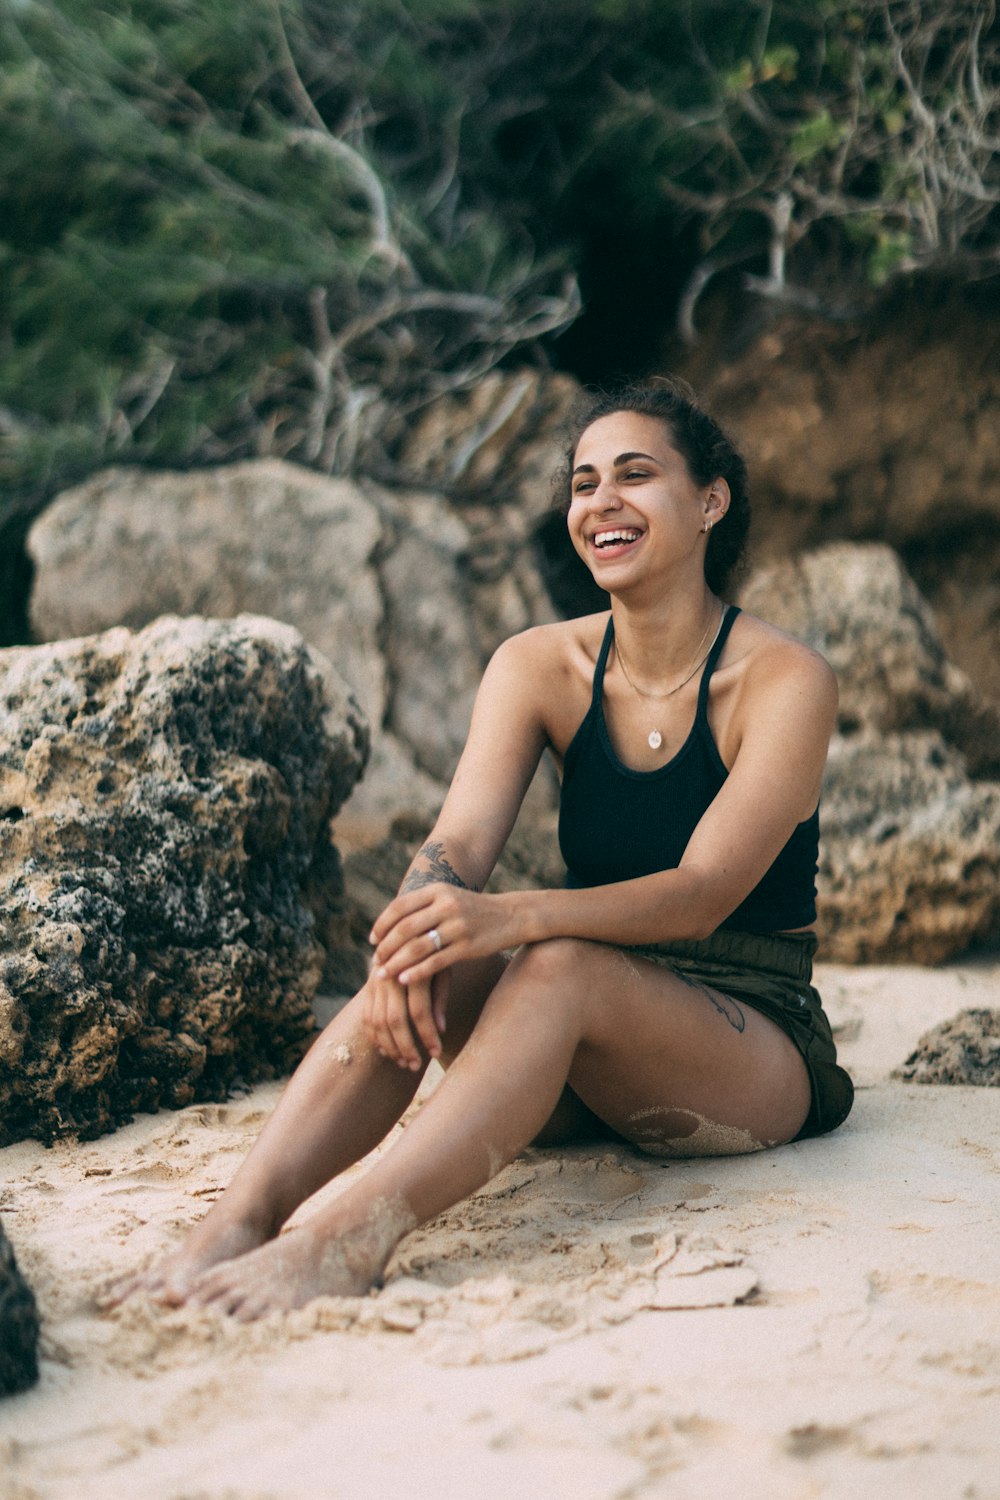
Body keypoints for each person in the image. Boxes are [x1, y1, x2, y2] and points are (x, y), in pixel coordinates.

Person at [114, 379, 853, 1322]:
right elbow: (458, 841)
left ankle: (342, 1241)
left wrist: (506, 916)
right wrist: (416, 927)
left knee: (552, 964)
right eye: (584, 484)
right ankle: (236, 1222)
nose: (602, 503)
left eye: (637, 475)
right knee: (437, 942)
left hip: (751, 1041)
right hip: (581, 1057)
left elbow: (703, 891)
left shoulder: (785, 679)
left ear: (711, 500)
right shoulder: (537, 665)